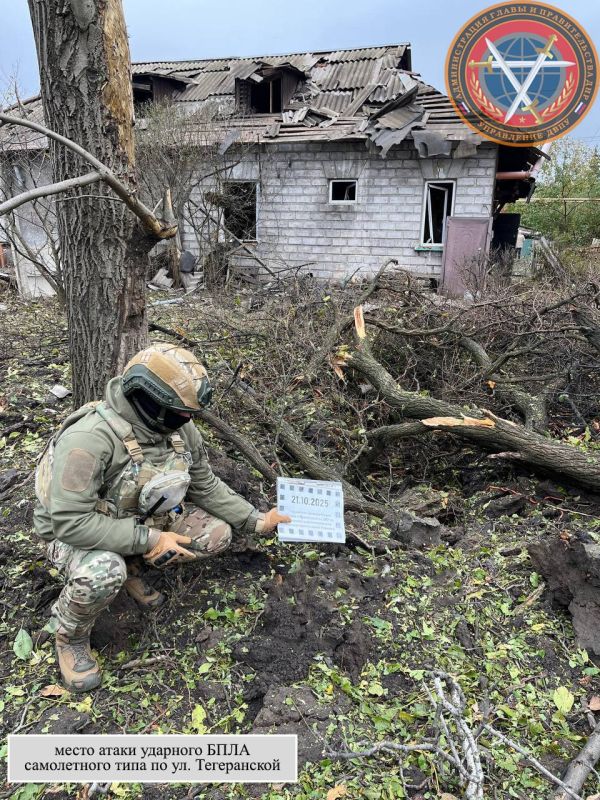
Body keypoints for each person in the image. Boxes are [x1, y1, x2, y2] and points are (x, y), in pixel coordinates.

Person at [33, 343, 291, 692]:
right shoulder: (89, 440)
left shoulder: (179, 429)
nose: (186, 421)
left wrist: (256, 520)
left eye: (189, 414)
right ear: (147, 400)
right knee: (103, 572)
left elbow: (204, 485)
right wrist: (152, 539)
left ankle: (133, 568)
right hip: (70, 534)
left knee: (215, 535)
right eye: (178, 413)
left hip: (133, 517)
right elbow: (69, 522)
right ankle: (70, 635)